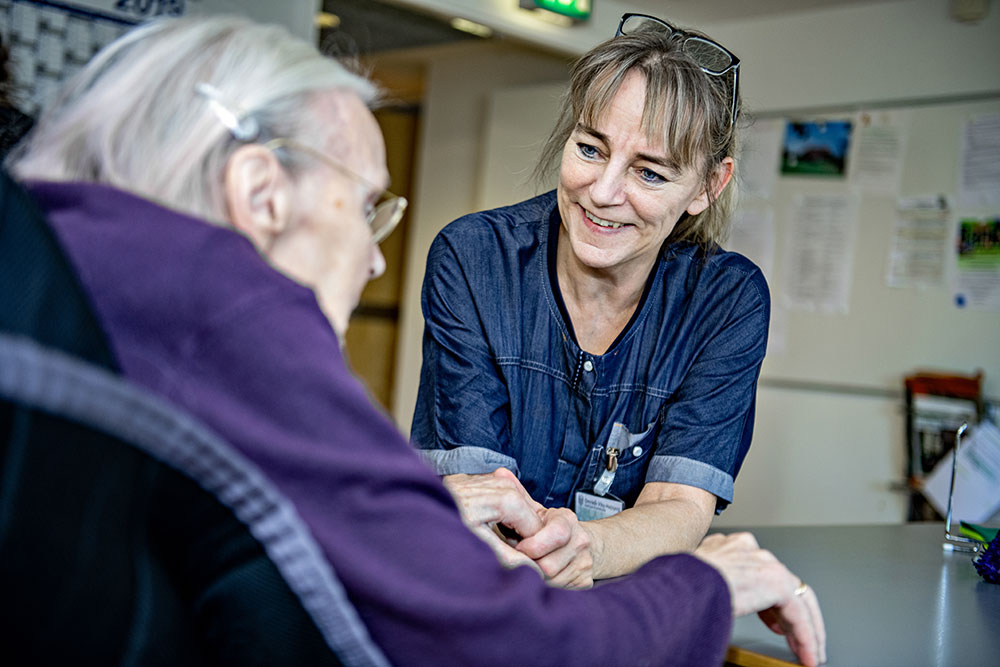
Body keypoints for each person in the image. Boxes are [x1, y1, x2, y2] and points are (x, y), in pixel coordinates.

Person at [7, 15, 824, 667]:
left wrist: (421, 509)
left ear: (703, 187)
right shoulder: (243, 343)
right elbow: (513, 645)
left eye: (649, 171)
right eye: (367, 207)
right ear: (259, 193)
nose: (374, 256)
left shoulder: (57, 273)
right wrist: (704, 586)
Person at [412, 12, 764, 587]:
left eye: (649, 174)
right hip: (463, 591)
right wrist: (559, 552)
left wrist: (587, 548)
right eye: (590, 149)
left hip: (606, 607)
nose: (602, 194)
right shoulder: (475, 258)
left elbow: (680, 504)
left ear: (708, 186)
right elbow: (482, 496)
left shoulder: (726, 301)